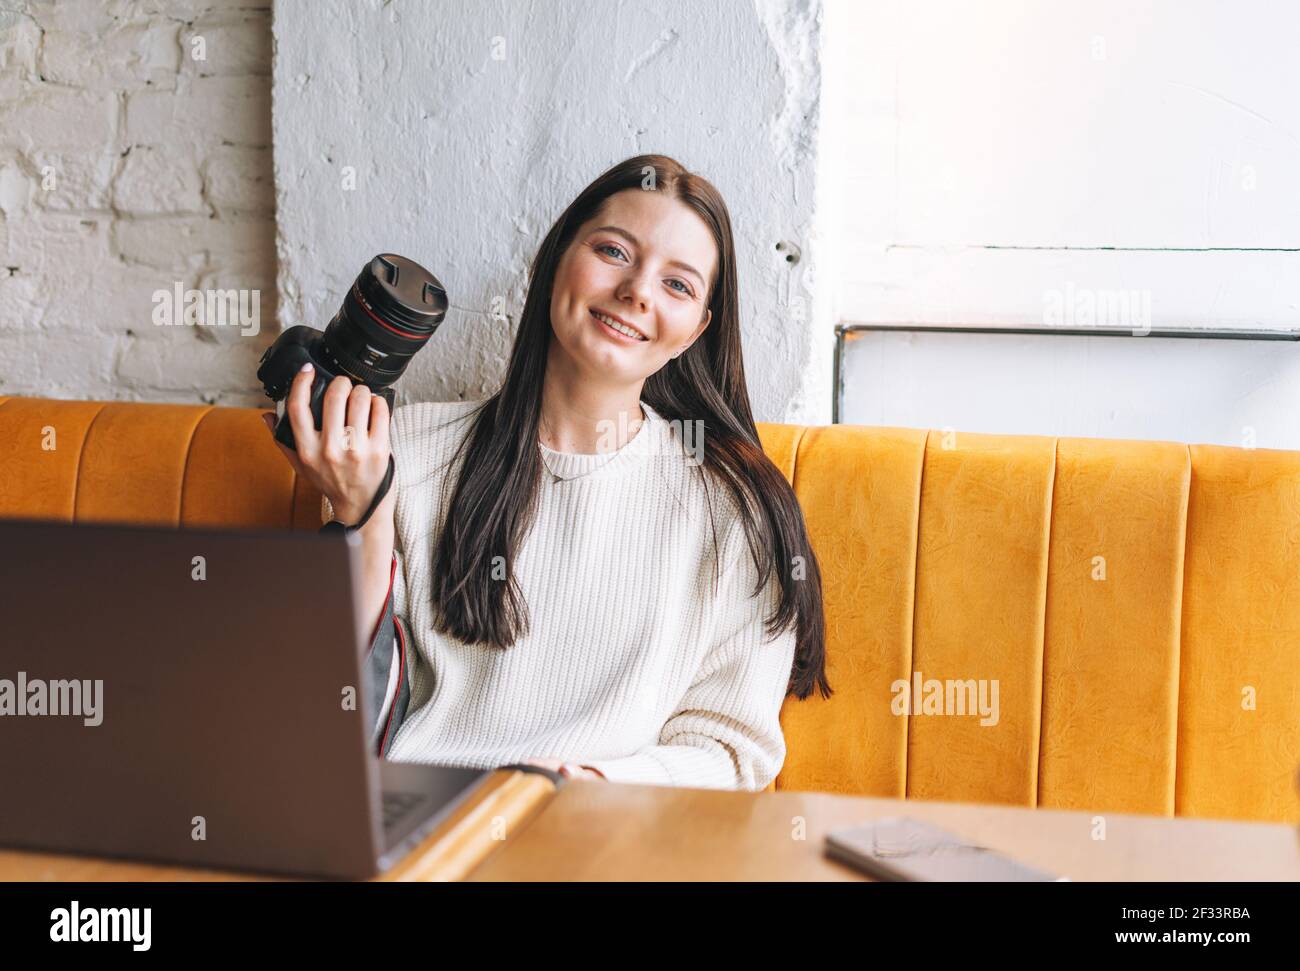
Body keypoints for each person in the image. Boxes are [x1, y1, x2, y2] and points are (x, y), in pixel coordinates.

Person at [263, 153, 830, 791]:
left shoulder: (736, 510)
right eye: (614, 251)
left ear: (697, 329)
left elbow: (732, 752)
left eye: (678, 284)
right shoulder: (407, 447)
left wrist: (591, 786)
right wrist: (358, 514)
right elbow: (338, 713)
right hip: (418, 831)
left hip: (598, 844)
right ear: (555, 257)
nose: (638, 291)